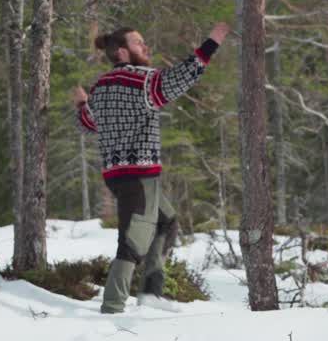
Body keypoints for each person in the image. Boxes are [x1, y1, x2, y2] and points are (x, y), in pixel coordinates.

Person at [74, 22, 230, 313]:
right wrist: (212, 43)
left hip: (118, 178)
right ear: (122, 52)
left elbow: (87, 123)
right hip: (140, 177)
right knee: (133, 242)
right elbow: (182, 76)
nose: (145, 47)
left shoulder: (101, 87)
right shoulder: (141, 80)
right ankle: (112, 307)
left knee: (167, 221)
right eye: (138, 43)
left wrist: (82, 105)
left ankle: (151, 291)